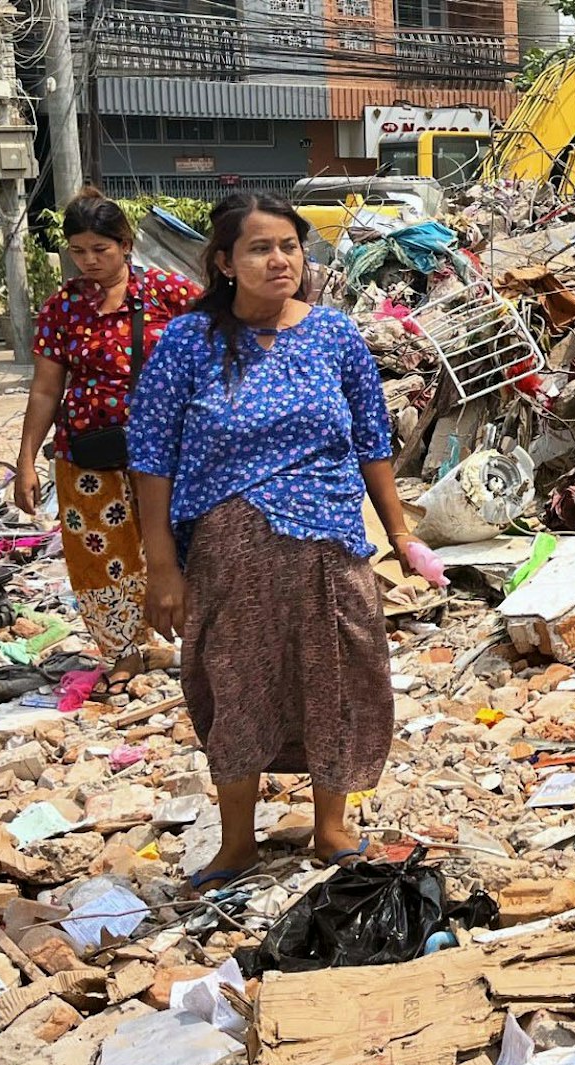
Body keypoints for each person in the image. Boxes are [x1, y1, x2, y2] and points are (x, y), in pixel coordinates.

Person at [127, 192, 425, 891]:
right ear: (225, 262)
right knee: (233, 682)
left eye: (290, 245)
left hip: (329, 543)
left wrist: (402, 532)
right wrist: (161, 565)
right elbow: (151, 456)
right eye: (260, 248)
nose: (279, 259)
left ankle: (331, 827)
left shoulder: (334, 336)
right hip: (230, 552)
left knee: (341, 675)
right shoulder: (188, 342)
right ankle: (237, 843)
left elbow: (371, 441)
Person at [14, 188, 202, 690]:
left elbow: (220, 342)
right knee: (100, 556)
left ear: (126, 244)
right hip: (86, 451)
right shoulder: (62, 308)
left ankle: (203, 641)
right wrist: (27, 459)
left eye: (101, 249)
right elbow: (46, 388)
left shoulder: (169, 292)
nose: (89, 261)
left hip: (169, 451)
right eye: (78, 251)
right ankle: (123, 651)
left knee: (186, 544)